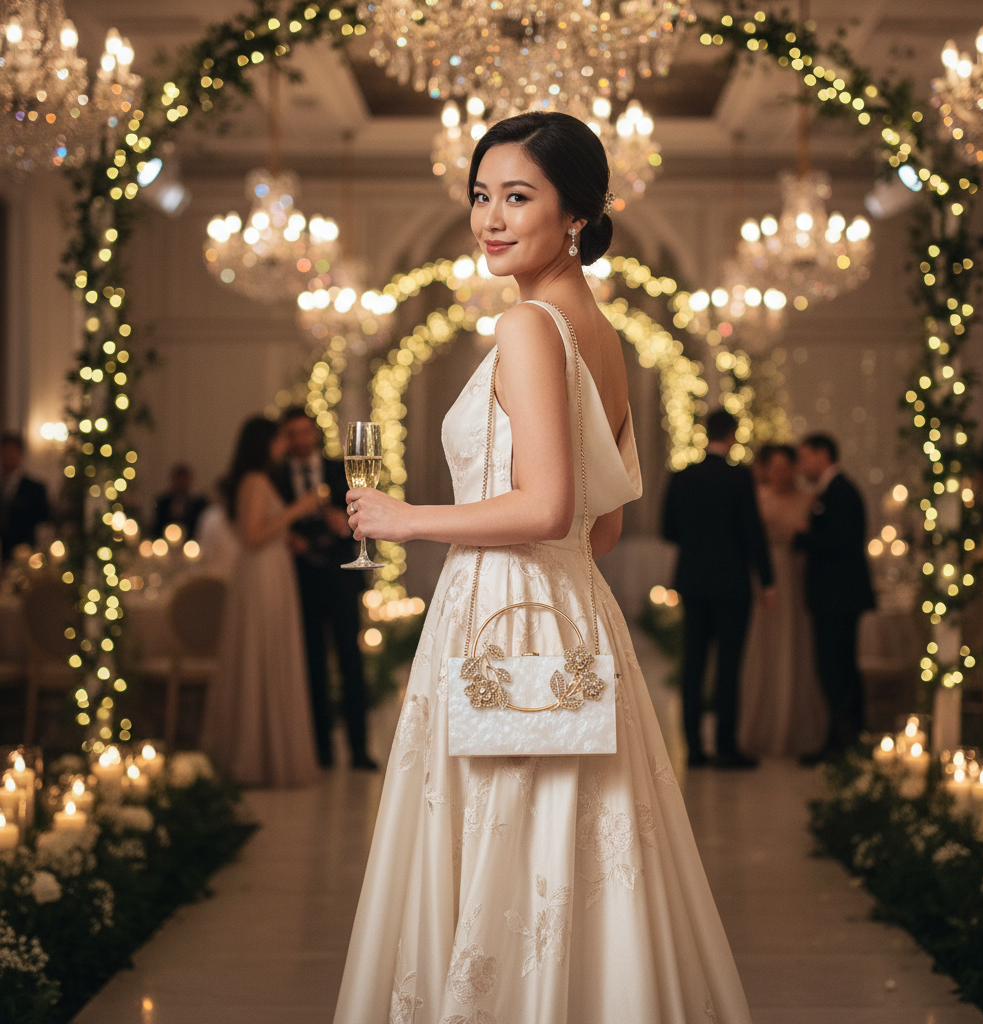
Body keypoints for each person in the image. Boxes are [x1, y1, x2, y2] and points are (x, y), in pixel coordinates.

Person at [334, 112, 752, 1024]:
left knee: (501, 848)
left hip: (499, 615)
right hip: (571, 611)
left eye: (517, 197)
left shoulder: (528, 324)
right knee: (565, 850)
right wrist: (539, 565)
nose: (490, 217)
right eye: (480, 195)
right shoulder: (599, 333)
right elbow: (600, 531)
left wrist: (405, 519)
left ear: (576, 216)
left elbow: (550, 509)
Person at [201, 417, 321, 788]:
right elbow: (252, 536)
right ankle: (257, 755)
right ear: (265, 443)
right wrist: (298, 509)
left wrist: (286, 536)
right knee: (263, 655)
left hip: (270, 571)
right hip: (262, 576)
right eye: (280, 438)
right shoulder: (255, 480)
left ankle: (267, 751)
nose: (285, 445)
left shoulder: (257, 479)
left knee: (269, 654)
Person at [661, 409, 774, 769]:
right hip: (732, 583)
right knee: (728, 667)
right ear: (733, 434)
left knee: (693, 665)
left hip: (693, 581)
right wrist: (767, 580)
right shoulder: (739, 477)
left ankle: (694, 749)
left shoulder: (682, 476)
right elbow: (752, 532)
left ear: (705, 433)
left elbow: (668, 530)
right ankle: (726, 747)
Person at [273, 407, 376, 771]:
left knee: (350, 660)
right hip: (301, 579)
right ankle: (321, 750)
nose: (301, 440)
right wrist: (289, 537)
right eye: (293, 434)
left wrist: (346, 525)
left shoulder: (341, 470)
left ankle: (359, 749)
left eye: (305, 432)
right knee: (311, 663)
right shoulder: (277, 476)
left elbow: (366, 513)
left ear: (315, 434)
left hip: (341, 576)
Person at [739, 444, 827, 757]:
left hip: (798, 578)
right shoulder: (758, 498)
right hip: (766, 580)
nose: (780, 474)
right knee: (765, 648)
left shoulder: (809, 499)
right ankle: (761, 725)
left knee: (798, 645)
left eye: (786, 468)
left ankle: (798, 726)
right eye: (774, 468)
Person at [795, 433, 876, 762]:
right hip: (835, 597)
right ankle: (841, 740)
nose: (801, 466)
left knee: (836, 670)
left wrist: (803, 537)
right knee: (835, 669)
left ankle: (844, 743)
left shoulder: (841, 491)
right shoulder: (833, 491)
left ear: (822, 455)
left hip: (838, 597)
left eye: (804, 457)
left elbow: (845, 542)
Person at [0, 432, 50, 564]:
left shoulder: (35, 488)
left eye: (12, 451)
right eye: (5, 452)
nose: (8, 456)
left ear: (20, 454)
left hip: (25, 554)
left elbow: (43, 523)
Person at [153, 463, 208, 541]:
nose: (181, 484)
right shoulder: (162, 502)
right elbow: (157, 526)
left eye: (183, 481)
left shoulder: (197, 504)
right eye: (178, 481)